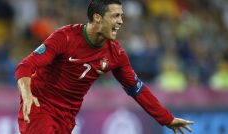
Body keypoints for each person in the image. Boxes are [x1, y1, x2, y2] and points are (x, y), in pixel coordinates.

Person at [15, 0, 194, 134]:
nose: (121, 21)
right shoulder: (65, 37)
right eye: (116, 16)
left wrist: (166, 119)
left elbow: (137, 89)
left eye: (121, 16)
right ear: (97, 18)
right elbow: (24, 66)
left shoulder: (115, 54)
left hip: (67, 116)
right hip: (40, 106)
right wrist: (28, 95)